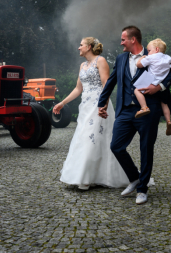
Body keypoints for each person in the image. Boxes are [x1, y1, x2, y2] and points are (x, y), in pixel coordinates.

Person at [98, 26, 171, 205]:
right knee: (116, 146)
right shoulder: (120, 59)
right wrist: (101, 103)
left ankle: (142, 189)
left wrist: (160, 87)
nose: (121, 43)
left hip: (149, 109)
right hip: (126, 110)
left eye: (123, 39)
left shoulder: (153, 53)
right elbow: (111, 82)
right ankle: (135, 178)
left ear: (133, 39)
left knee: (146, 149)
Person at [54, 37, 129, 190]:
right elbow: (78, 89)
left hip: (98, 105)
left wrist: (104, 105)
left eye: (80, 45)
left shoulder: (100, 61)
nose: (78, 48)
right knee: (83, 138)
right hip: (85, 107)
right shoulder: (82, 65)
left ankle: (86, 178)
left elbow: (106, 85)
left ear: (88, 47)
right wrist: (62, 103)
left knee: (92, 138)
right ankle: (87, 175)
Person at [133, 38, 171, 136]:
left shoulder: (150, 57)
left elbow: (138, 65)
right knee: (164, 103)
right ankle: (168, 121)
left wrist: (142, 58)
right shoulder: (167, 57)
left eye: (149, 50)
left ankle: (144, 108)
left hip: (151, 81)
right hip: (161, 84)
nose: (148, 52)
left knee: (136, 90)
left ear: (156, 49)